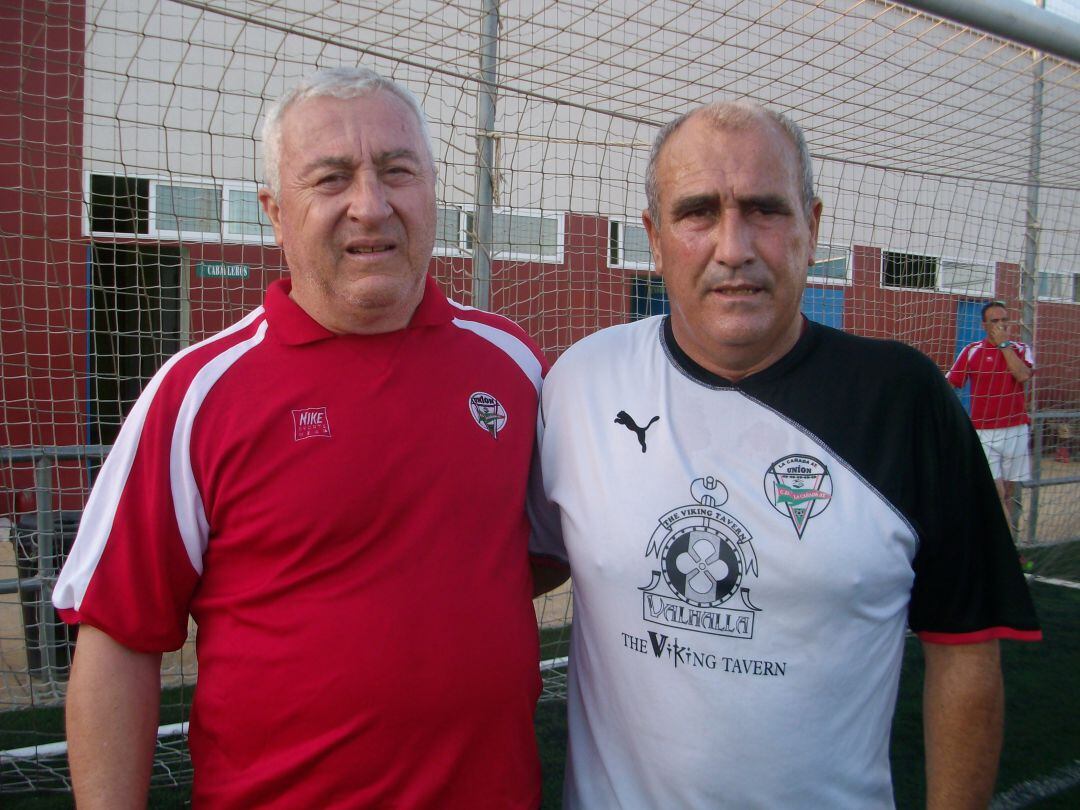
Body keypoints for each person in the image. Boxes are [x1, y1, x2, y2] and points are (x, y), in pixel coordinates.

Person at [54, 66, 558, 809]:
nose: (371, 205)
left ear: (432, 190)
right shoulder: (198, 393)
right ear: (276, 212)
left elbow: (538, 554)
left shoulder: (514, 365)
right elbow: (118, 637)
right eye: (331, 178)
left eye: (397, 171)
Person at [529, 101, 1041, 808]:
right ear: (654, 236)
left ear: (813, 226)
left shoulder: (902, 400)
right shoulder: (582, 383)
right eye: (698, 212)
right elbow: (521, 566)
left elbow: (965, 650)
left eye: (765, 210)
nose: (733, 246)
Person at [948, 301, 1035, 532]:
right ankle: (1009, 552)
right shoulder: (972, 351)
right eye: (995, 321)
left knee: (1008, 493)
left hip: (1015, 429)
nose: (1001, 326)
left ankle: (1008, 543)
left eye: (1004, 321)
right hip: (984, 431)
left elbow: (1023, 375)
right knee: (995, 493)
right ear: (984, 325)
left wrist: (1004, 345)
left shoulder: (1021, 349)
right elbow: (951, 383)